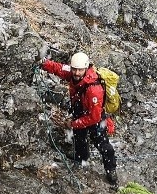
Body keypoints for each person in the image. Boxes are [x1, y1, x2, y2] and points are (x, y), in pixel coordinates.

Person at [40, 52, 118, 186]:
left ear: (86, 68)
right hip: (80, 110)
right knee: (79, 138)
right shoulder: (72, 73)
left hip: (95, 118)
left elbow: (94, 117)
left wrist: (73, 123)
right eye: (74, 69)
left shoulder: (94, 90)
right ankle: (82, 158)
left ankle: (111, 171)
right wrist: (44, 64)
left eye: (80, 70)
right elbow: (59, 68)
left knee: (104, 146)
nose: (76, 73)